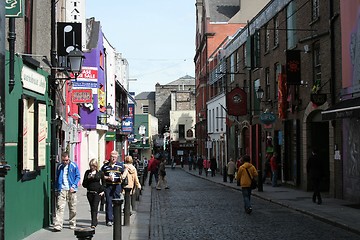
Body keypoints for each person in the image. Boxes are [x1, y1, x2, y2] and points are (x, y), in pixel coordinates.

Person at [53, 152, 81, 231]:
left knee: (72, 208)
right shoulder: (60, 166)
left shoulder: (73, 166)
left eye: (66, 160)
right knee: (60, 207)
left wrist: (74, 186)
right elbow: (57, 177)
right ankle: (58, 225)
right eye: (63, 160)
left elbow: (78, 176)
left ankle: (72, 223)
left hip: (71, 189)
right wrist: (57, 188)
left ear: (69, 158)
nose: (65, 162)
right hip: (62, 189)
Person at [101, 150, 124, 226]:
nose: (113, 158)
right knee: (108, 202)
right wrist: (107, 177)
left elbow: (124, 174)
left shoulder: (120, 166)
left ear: (117, 158)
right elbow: (101, 175)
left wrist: (122, 178)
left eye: (115, 157)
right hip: (108, 186)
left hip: (117, 186)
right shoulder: (105, 166)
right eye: (112, 157)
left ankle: (116, 218)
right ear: (110, 157)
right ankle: (109, 219)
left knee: (117, 203)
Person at [82, 158, 105, 228]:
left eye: (93, 166)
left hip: (97, 193)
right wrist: (88, 178)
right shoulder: (87, 172)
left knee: (95, 207)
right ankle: (95, 220)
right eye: (91, 166)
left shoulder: (100, 173)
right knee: (92, 207)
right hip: (89, 193)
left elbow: (104, 183)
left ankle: (93, 223)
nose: (92, 167)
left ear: (96, 166)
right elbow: (84, 184)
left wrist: (102, 191)